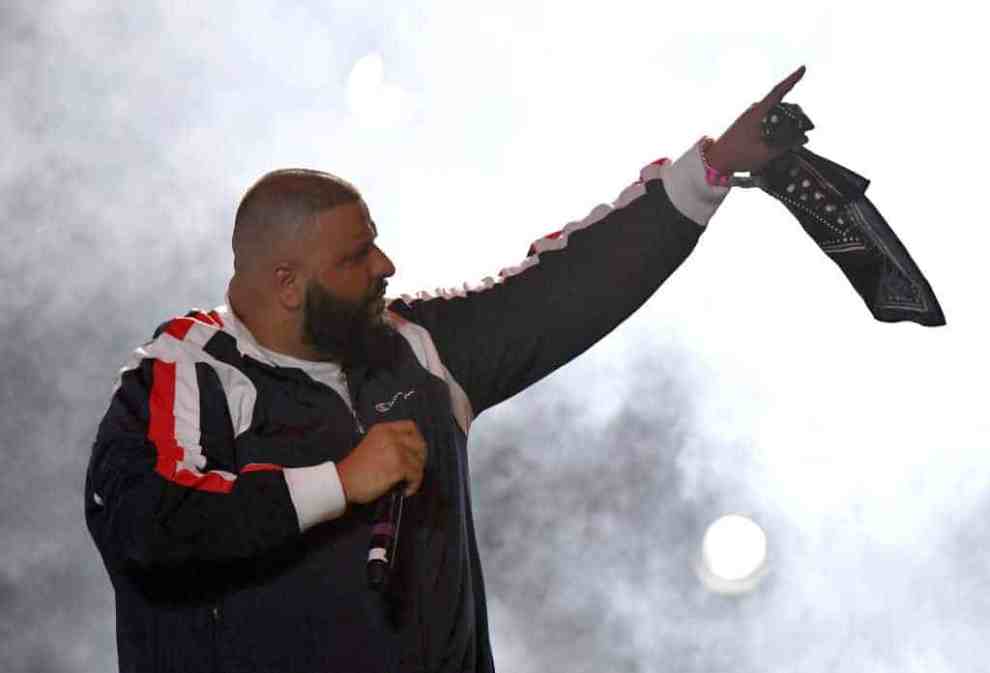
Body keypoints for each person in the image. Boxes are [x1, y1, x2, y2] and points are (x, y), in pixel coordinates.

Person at [85, 67, 808, 673]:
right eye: (356, 256)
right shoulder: (186, 373)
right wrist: (338, 482)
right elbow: (151, 530)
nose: (386, 266)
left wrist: (711, 169)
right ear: (286, 284)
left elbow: (563, 289)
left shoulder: (415, 346)